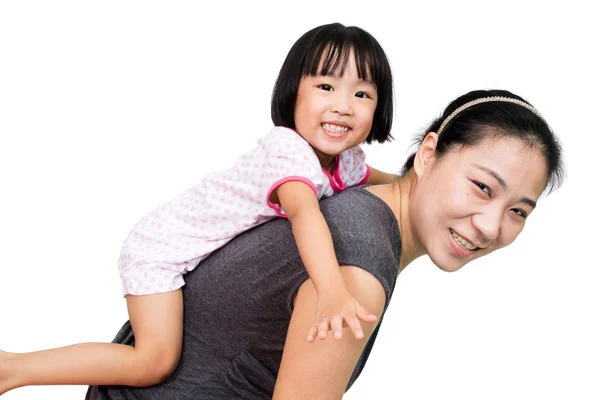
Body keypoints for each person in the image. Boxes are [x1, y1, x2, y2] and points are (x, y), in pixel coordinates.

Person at [83, 88, 562, 399]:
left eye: (518, 210)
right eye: (482, 187)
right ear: (430, 153)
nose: (490, 225)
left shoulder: (355, 203)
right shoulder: (359, 267)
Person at [0, 22, 397, 395]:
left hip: (194, 259)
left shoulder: (347, 161)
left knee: (156, 356)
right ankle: (14, 368)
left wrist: (422, 178)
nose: (344, 106)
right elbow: (305, 215)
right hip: (162, 251)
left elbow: (385, 180)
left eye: (362, 94)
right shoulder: (288, 151)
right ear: (292, 92)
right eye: (326, 86)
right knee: (153, 361)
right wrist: (331, 289)